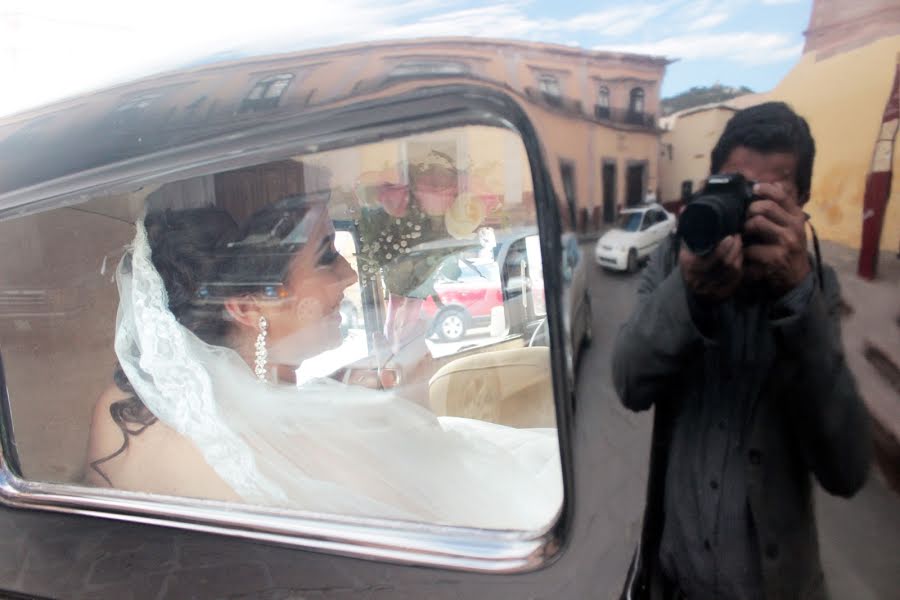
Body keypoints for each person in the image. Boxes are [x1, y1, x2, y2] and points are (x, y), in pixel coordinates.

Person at [85, 194, 561, 530]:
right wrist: (410, 406)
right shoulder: (313, 448)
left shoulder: (124, 407)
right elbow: (442, 519)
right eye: (326, 256)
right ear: (248, 307)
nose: (349, 274)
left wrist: (329, 398)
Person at [612, 102, 871, 599]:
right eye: (735, 190)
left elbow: (846, 469)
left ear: (801, 207)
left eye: (769, 197)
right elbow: (628, 381)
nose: (746, 210)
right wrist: (690, 295)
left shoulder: (817, 288)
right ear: (711, 185)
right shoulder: (675, 261)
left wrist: (797, 300)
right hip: (674, 584)